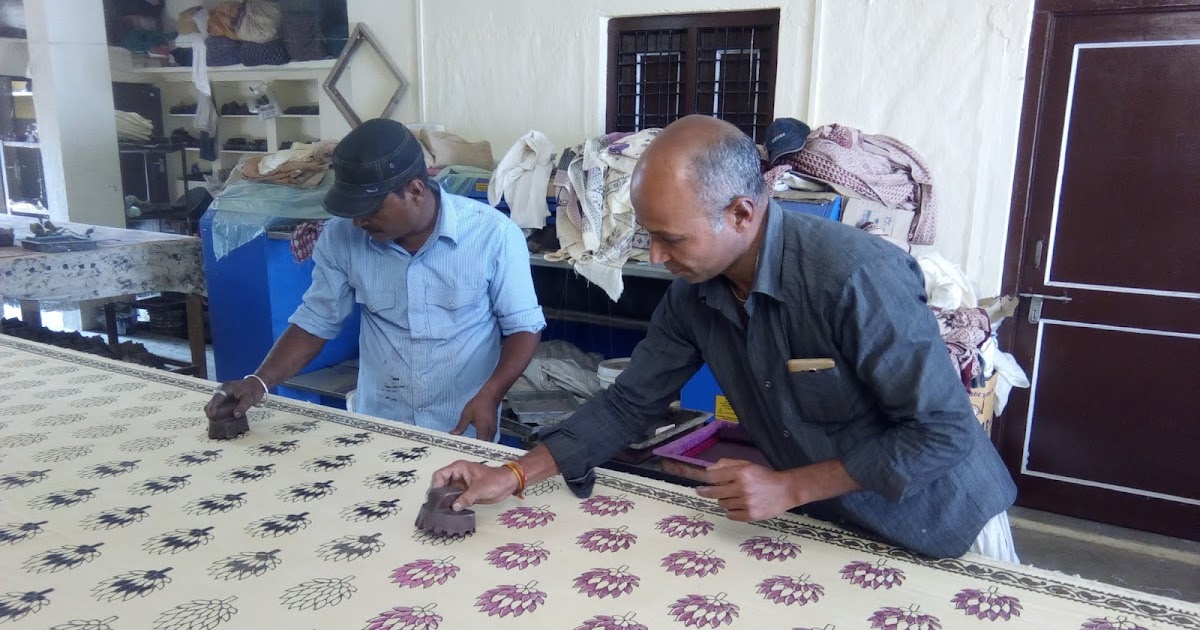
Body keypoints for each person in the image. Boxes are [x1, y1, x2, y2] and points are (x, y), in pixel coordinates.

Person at [432, 115, 1019, 559]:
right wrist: (512, 474)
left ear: (741, 213)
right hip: (833, 523)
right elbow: (629, 404)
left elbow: (942, 432)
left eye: (671, 238)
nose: (656, 257)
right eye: (648, 236)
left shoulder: (855, 278)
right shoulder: (695, 294)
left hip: (944, 523)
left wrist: (792, 487)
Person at [206, 119, 546, 441]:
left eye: (370, 210)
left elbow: (523, 328)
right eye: (353, 212)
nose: (358, 223)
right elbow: (315, 322)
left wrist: (492, 393)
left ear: (415, 191)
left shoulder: (494, 236)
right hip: (380, 425)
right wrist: (258, 383)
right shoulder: (341, 237)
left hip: (461, 424)